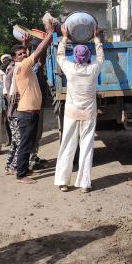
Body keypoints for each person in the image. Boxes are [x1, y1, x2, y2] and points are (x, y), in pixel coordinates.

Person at [54, 25, 104, 192]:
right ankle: (84, 184)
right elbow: (101, 57)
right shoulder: (93, 70)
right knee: (87, 147)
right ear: (88, 56)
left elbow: (60, 55)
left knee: (67, 145)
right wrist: (96, 39)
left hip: (71, 114)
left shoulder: (70, 70)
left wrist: (65, 37)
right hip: (88, 115)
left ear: (75, 57)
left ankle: (63, 182)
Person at [13, 21, 56, 184]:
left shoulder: (27, 68)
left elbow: (34, 55)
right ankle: (20, 174)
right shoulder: (22, 66)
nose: (24, 55)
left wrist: (25, 44)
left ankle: (25, 169)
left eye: (25, 53)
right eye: (21, 54)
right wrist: (50, 34)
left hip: (31, 112)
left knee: (29, 143)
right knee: (25, 144)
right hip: (27, 113)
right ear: (15, 58)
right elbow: (37, 51)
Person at [0, 54, 13, 145]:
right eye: (3, 60)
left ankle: (16, 138)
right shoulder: (0, 71)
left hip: (13, 94)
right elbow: (0, 83)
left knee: (15, 117)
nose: (5, 60)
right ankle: (9, 139)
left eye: (7, 59)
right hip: (4, 97)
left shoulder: (13, 67)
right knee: (6, 119)